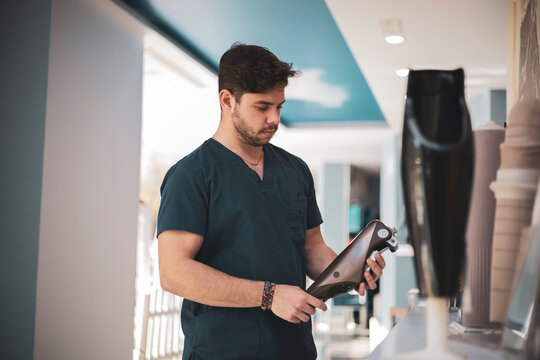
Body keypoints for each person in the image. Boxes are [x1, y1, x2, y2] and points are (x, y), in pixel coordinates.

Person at [157, 43, 386, 360]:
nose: (274, 118)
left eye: (279, 106)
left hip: (294, 349)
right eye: (262, 107)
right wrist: (269, 295)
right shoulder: (192, 175)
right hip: (221, 352)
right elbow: (173, 273)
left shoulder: (296, 170)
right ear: (227, 101)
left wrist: (351, 271)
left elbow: (313, 250)